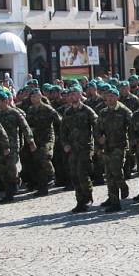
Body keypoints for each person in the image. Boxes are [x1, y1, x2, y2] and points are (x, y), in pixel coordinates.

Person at [60, 85, 98, 213]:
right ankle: (79, 200)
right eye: (70, 94)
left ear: (80, 95)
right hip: (72, 149)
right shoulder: (68, 112)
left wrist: (98, 144)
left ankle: (87, 198)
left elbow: (96, 126)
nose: (72, 96)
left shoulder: (87, 110)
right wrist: (65, 144)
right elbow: (63, 131)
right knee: (74, 175)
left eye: (75, 94)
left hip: (85, 147)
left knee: (83, 173)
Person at [95, 86, 132, 212]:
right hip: (107, 146)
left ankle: (123, 185)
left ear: (117, 97)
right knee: (109, 175)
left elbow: (132, 127)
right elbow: (97, 129)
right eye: (108, 97)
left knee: (116, 169)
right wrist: (99, 141)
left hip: (120, 145)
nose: (110, 99)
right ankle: (115, 202)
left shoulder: (124, 111)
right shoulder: (103, 112)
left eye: (112, 96)